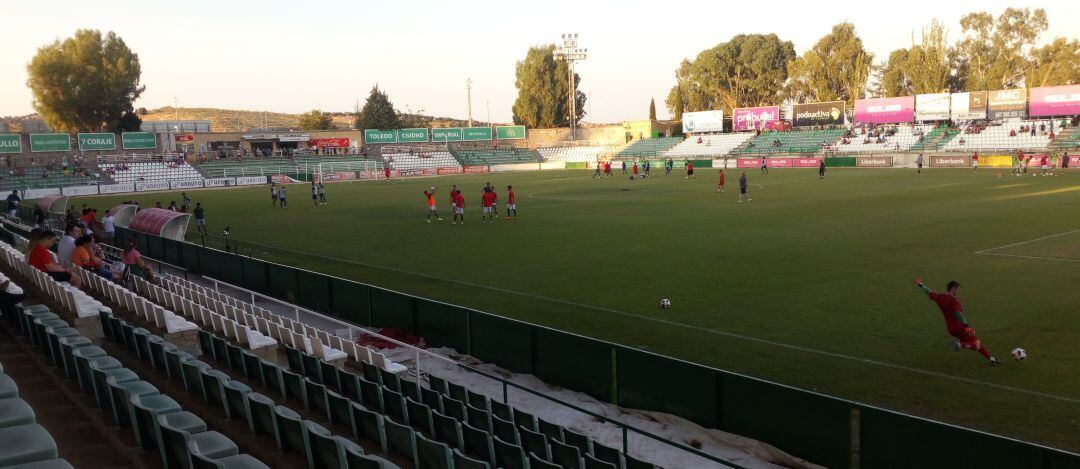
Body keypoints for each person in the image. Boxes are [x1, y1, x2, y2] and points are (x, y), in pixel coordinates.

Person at [915, 278, 998, 365]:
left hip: (951, 329)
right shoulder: (954, 300)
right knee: (976, 344)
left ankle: (991, 359)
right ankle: (960, 345)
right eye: (957, 289)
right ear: (953, 288)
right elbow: (958, 313)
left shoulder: (940, 297)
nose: (958, 292)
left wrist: (920, 284)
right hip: (960, 327)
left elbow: (928, 291)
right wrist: (967, 326)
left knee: (974, 343)